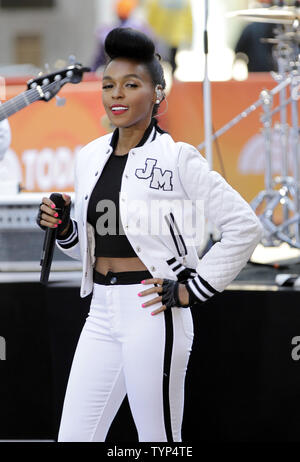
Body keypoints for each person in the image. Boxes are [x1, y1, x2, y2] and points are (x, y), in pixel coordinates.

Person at [37, 27, 263, 442]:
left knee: (158, 441)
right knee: (73, 436)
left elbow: (245, 226)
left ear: (159, 92)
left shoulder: (178, 157)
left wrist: (191, 290)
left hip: (153, 311)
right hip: (100, 312)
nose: (116, 95)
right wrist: (65, 227)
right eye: (108, 85)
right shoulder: (89, 157)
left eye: (131, 84)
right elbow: (88, 249)